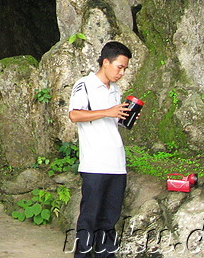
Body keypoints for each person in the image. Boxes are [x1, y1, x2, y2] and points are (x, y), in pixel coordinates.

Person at [68, 41, 135, 258]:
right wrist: (108, 111)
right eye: (119, 67)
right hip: (95, 163)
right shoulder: (84, 85)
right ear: (106, 62)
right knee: (90, 217)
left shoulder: (115, 90)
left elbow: (111, 121)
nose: (122, 73)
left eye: (125, 69)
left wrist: (125, 116)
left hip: (117, 163)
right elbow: (74, 115)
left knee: (109, 219)